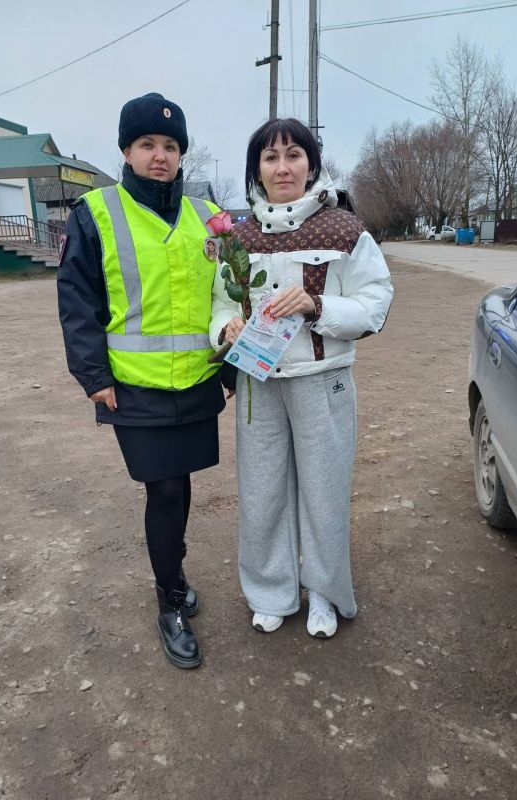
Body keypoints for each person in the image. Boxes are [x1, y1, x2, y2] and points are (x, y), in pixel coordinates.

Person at [58, 93, 225, 669]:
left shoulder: (208, 216)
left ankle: (174, 574)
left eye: (171, 146)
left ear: (182, 154)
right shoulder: (96, 213)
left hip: (198, 381)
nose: (160, 156)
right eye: (147, 144)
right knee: (166, 490)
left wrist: (232, 362)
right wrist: (93, 375)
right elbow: (77, 299)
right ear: (126, 151)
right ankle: (169, 599)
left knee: (183, 485)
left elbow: (227, 298)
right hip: (134, 387)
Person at [210, 118, 393, 638]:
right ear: (257, 170)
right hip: (258, 381)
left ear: (311, 164)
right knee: (261, 490)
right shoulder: (239, 237)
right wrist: (226, 327)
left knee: (323, 489)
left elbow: (375, 300)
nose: (283, 166)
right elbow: (220, 302)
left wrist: (318, 306)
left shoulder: (344, 230)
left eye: (294, 154)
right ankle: (271, 591)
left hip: (321, 378)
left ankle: (324, 594)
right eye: (270, 157)